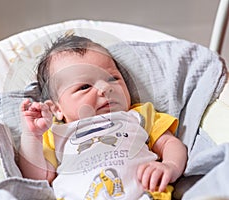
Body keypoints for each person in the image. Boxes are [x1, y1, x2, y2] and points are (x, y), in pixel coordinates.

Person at [18, 34, 187, 200]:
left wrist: (170, 165)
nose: (106, 88)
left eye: (113, 78)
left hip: (145, 193)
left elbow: (169, 143)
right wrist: (31, 135)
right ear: (56, 109)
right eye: (84, 86)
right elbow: (39, 177)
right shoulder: (55, 133)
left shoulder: (139, 115)